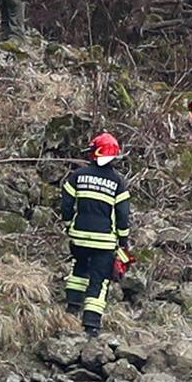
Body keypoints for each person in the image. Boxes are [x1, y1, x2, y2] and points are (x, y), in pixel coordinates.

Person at [58, 131, 131, 336]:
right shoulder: (118, 183)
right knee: (99, 280)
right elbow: (123, 215)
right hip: (105, 243)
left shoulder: (77, 175)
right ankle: (91, 324)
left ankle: (72, 306)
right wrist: (123, 239)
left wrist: (68, 223)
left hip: (78, 236)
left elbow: (66, 204)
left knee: (78, 269)